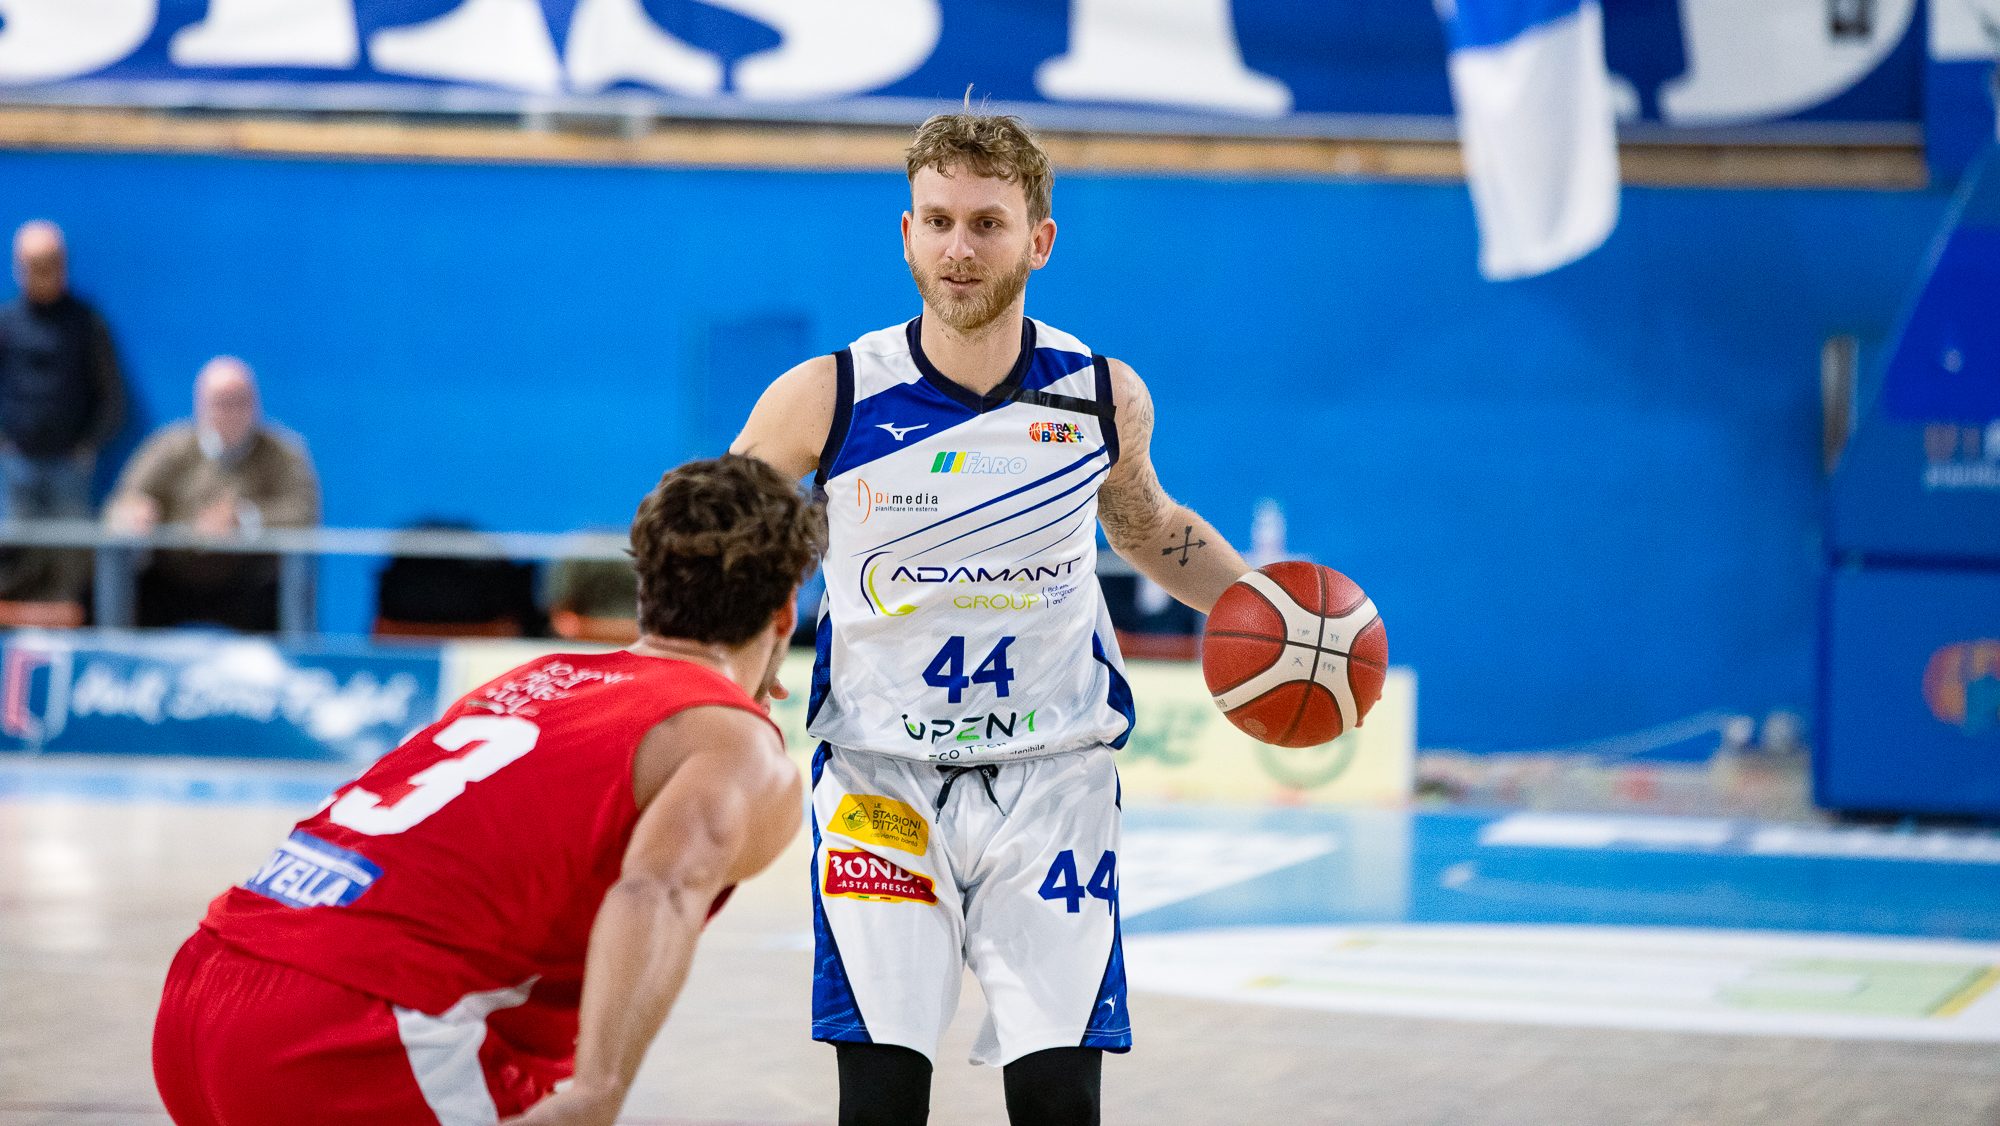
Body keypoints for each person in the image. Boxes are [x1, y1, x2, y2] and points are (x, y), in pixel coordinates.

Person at [731, 111, 1254, 1126]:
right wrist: (734, 658)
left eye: (986, 223)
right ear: (906, 232)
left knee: (1057, 1099)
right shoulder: (829, 395)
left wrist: (1265, 611)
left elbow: (1147, 526)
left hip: (1053, 781)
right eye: (937, 221)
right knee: (881, 1100)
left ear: (1038, 240)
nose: (958, 249)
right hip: (879, 780)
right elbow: (722, 537)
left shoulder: (1099, 396)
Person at [152, 454, 825, 1125]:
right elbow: (658, 891)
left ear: (645, 590)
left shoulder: (531, 679)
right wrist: (599, 1092)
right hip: (351, 1027)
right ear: (784, 613)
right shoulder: (737, 745)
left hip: (205, 983)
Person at [103, 356, 320, 631]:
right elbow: (123, 501)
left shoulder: (284, 452)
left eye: (240, 400)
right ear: (200, 404)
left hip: (250, 581)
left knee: (286, 590)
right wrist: (133, 513)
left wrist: (243, 519)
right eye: (220, 402)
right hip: (173, 576)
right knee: (121, 589)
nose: (231, 411)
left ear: (256, 403)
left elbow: (303, 513)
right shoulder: (168, 447)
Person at [0, 220, 126, 600]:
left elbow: (111, 395)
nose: (41, 274)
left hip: (70, 467)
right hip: (14, 465)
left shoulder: (86, 323)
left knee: (71, 561)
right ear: (17, 267)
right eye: (32, 265)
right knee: (11, 557)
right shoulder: (6, 323)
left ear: (63, 265)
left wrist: (87, 446)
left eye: (49, 263)